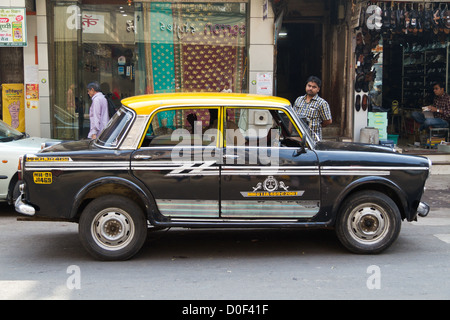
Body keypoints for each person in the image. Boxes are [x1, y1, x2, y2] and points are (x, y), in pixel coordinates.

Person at [293, 76, 332, 141]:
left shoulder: (322, 103)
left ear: (318, 89)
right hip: (298, 139)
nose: (310, 88)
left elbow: (328, 121)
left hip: (313, 141)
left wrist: (317, 125)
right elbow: (293, 117)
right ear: (306, 86)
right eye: (309, 86)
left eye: (314, 87)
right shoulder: (299, 100)